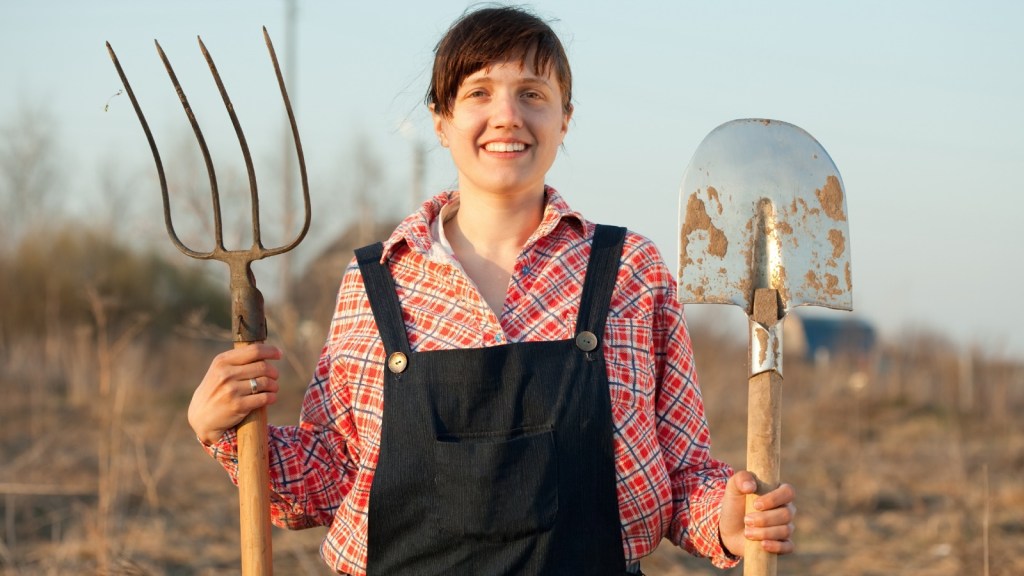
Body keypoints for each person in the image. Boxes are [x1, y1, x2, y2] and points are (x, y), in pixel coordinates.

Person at [187, 6, 795, 575]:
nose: (507, 115)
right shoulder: (379, 280)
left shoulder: (630, 271)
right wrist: (225, 431)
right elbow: (329, 476)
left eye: (533, 94)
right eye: (478, 92)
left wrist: (727, 519)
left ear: (565, 118)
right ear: (441, 120)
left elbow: (681, 474)